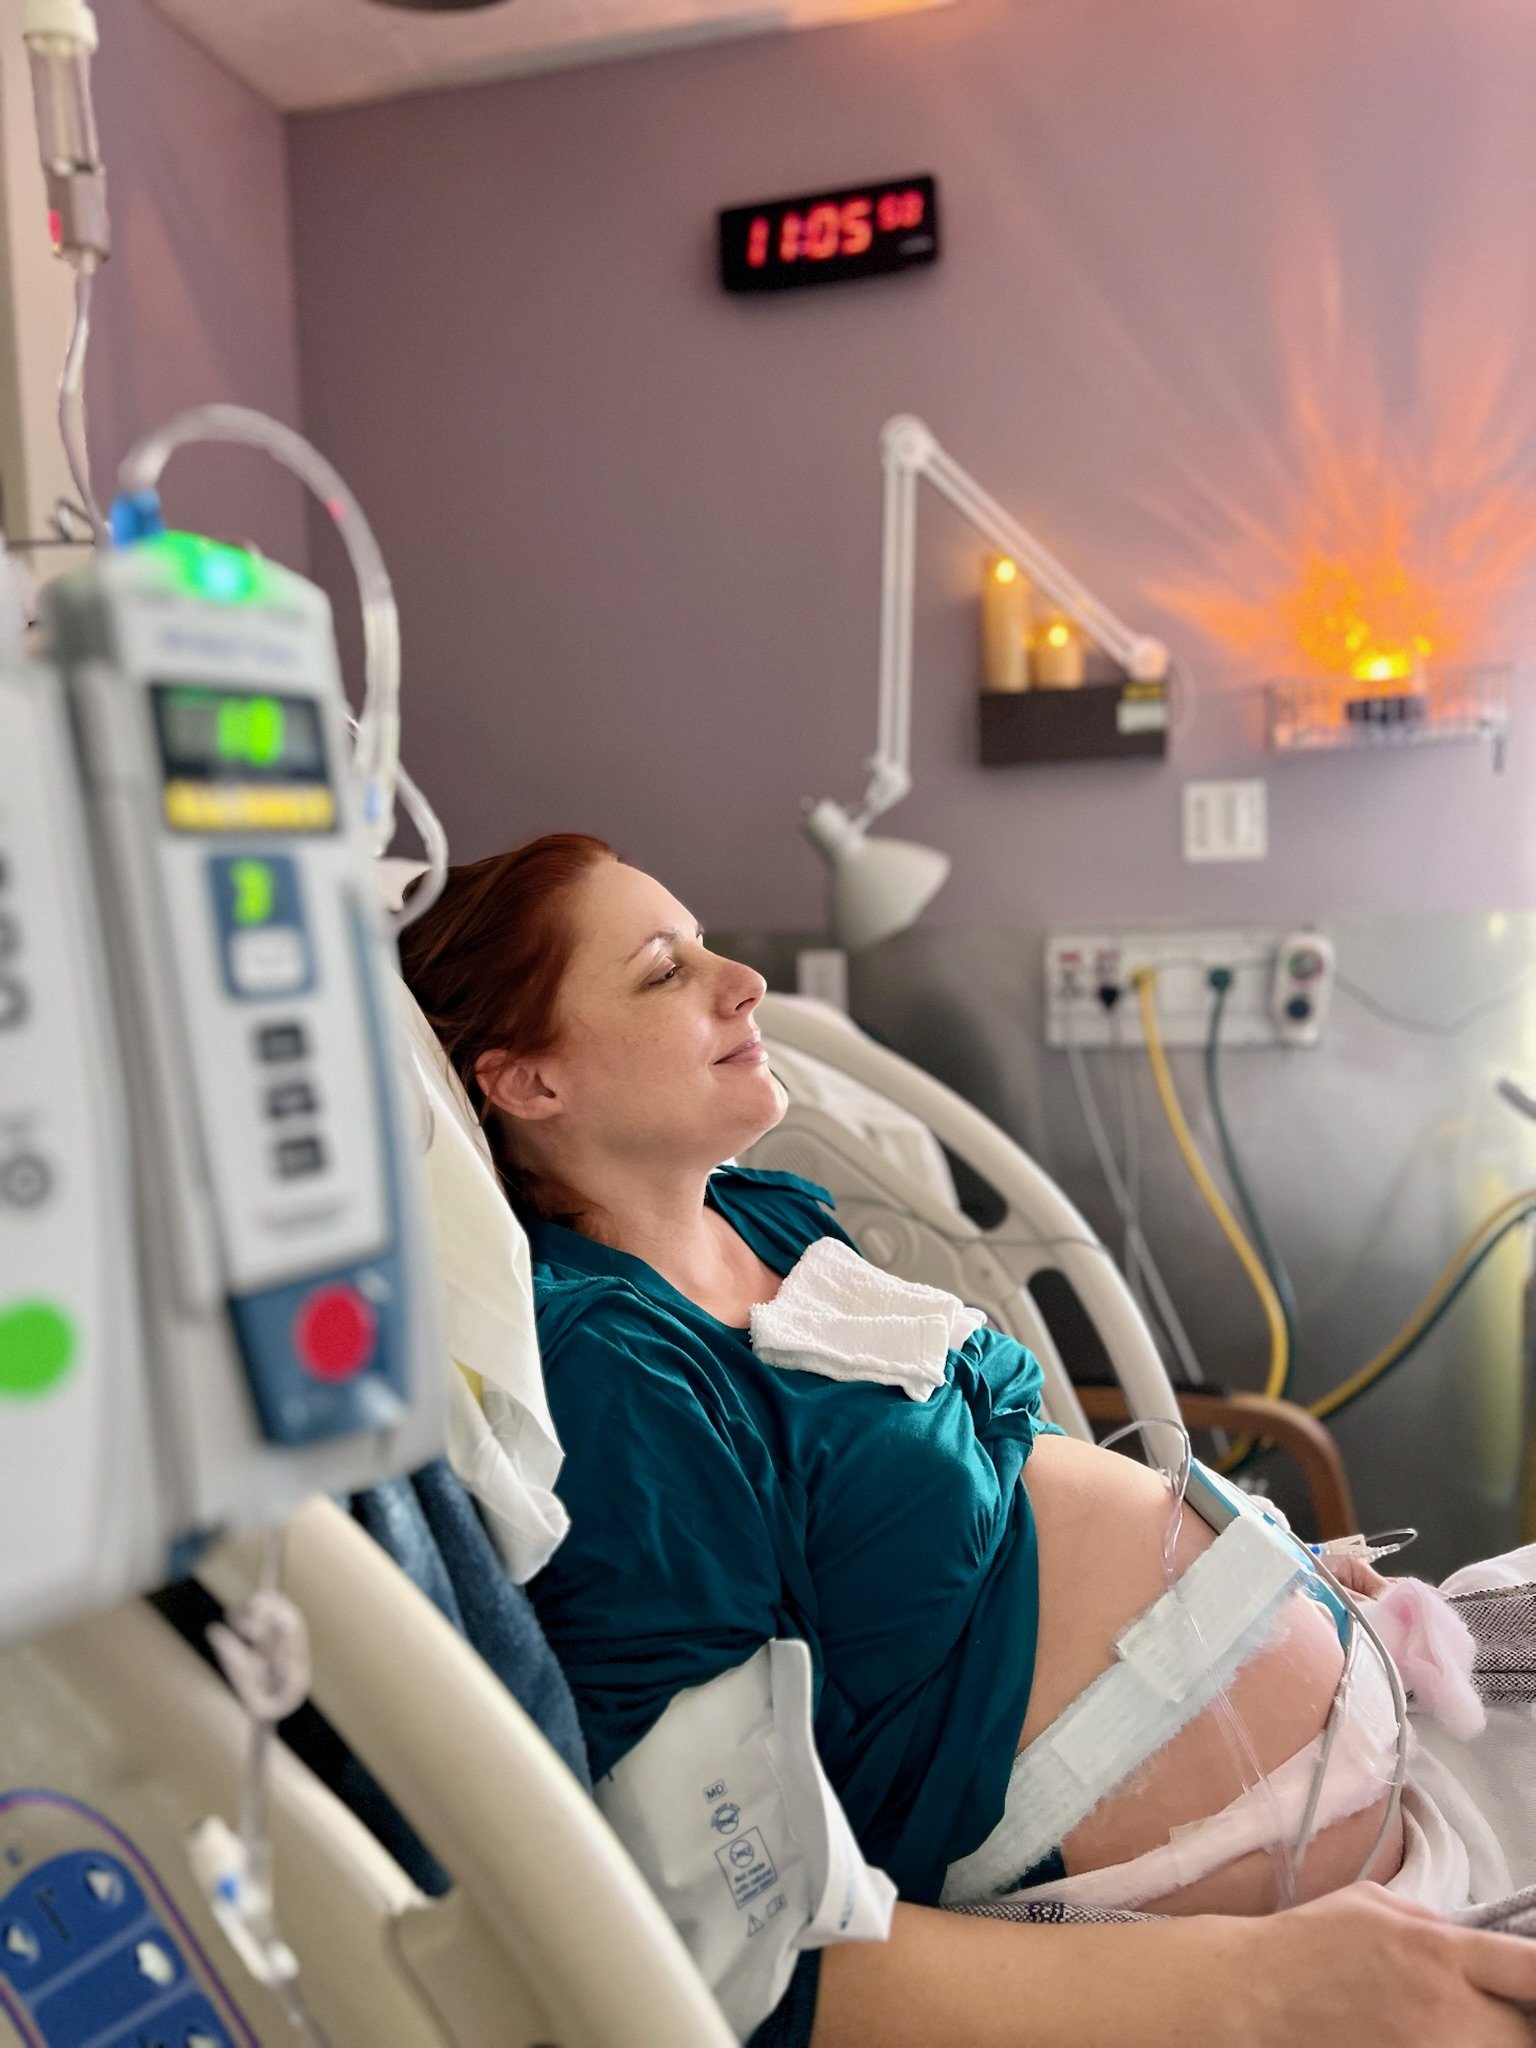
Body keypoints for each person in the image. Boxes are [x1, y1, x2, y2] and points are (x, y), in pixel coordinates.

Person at [399, 832, 1536, 2048]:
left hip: (1393, 1756)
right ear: (528, 1082)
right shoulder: (611, 1374)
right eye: (663, 969)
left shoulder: (764, 1215)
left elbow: (1002, 1489)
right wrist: (1261, 1985)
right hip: (1280, 1946)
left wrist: (1277, 1575)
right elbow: (752, 1955)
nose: (744, 981)